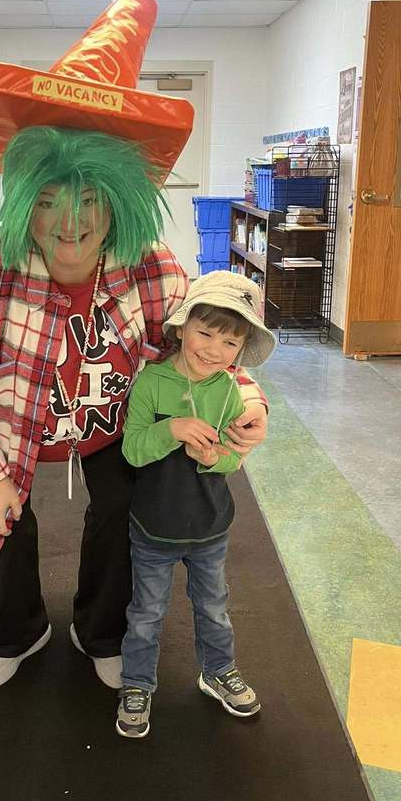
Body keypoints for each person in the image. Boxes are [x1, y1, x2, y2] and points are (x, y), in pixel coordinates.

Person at [0, 0, 269, 693]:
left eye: (89, 200)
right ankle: (19, 626)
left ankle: (100, 627)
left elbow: (203, 349)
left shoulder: (155, 269)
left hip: (116, 426)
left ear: (119, 204)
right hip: (10, 432)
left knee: (124, 503)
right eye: (47, 200)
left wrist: (246, 398)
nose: (69, 223)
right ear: (24, 202)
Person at [116, 271, 276, 739]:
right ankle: (137, 683)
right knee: (145, 613)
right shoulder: (151, 383)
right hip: (153, 528)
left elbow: (232, 460)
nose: (213, 350)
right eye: (204, 333)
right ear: (182, 328)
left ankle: (218, 672)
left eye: (229, 343)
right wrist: (172, 430)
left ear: (240, 349)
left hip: (209, 528)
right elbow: (133, 450)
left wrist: (214, 457)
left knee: (214, 607)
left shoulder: (230, 391)